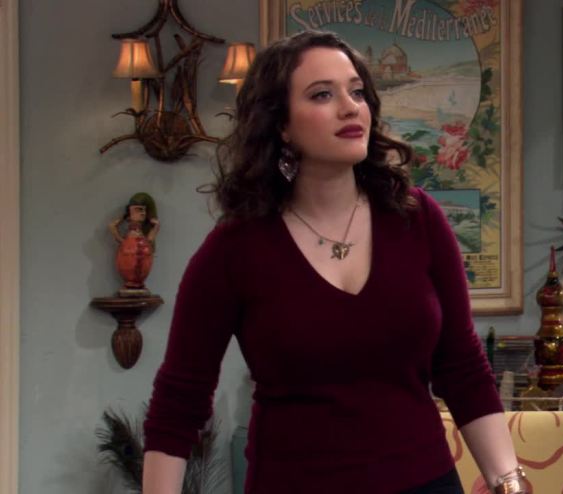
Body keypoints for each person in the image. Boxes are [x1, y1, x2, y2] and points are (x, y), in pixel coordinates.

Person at [141, 30, 528, 494]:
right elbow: (179, 403)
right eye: (322, 94)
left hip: (426, 482)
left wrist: (509, 483)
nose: (350, 107)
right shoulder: (235, 249)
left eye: (357, 92)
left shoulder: (417, 218)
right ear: (281, 124)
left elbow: (463, 367)